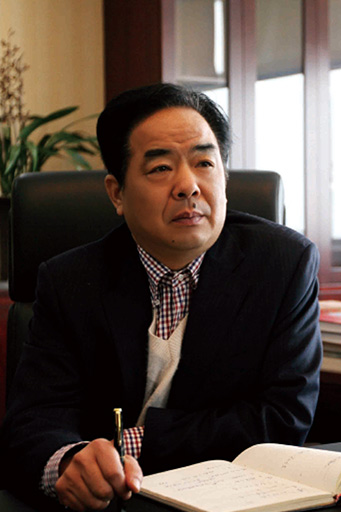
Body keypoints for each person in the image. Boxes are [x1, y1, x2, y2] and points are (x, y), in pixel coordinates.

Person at [0, 83, 322, 511]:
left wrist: (131, 442)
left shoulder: (283, 265)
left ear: (225, 179)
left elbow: (283, 419)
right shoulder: (70, 281)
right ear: (117, 193)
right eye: (160, 168)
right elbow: (32, 422)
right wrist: (69, 463)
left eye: (204, 163)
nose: (188, 186)